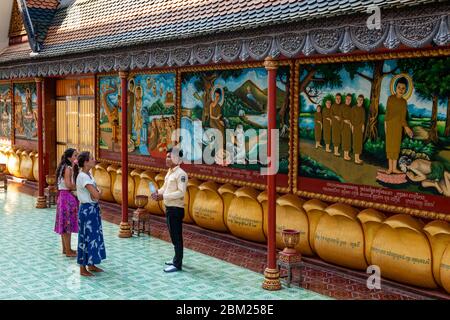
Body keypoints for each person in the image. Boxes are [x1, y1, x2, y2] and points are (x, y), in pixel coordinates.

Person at [151, 147, 188, 272]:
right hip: (169, 207)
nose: (167, 159)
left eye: (169, 157)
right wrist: (158, 192)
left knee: (176, 236)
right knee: (173, 235)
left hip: (176, 209)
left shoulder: (181, 174)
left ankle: (177, 264)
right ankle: (176, 258)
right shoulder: (170, 172)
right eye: (166, 156)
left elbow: (181, 193)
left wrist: (163, 196)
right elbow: (165, 187)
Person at [76, 151, 106, 276]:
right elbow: (96, 194)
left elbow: (95, 194)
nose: (94, 160)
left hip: (92, 209)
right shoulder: (83, 176)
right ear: (86, 162)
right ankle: (83, 268)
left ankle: (91, 264)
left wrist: (97, 195)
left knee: (94, 237)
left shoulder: (89, 174)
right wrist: (98, 194)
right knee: (86, 237)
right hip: (87, 210)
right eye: (92, 158)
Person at [384, 77, 413, 174]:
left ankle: (394, 168)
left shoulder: (404, 102)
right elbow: (387, 114)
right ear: (395, 87)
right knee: (389, 146)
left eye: (403, 88)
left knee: (395, 146)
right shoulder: (390, 98)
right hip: (389, 125)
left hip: (398, 127)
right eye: (399, 87)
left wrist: (407, 127)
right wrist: (385, 125)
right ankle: (390, 168)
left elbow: (403, 118)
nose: (401, 90)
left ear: (406, 90)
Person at [54, 148, 79, 257]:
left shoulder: (63, 167)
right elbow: (69, 185)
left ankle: (66, 249)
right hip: (67, 197)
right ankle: (68, 250)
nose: (76, 158)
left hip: (62, 197)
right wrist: (79, 187)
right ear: (70, 157)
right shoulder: (68, 168)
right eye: (75, 155)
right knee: (67, 224)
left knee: (64, 224)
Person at [351, 95, 366, 165]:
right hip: (355, 127)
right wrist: (352, 126)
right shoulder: (354, 108)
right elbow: (351, 118)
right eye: (359, 99)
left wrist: (363, 125)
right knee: (355, 142)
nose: (360, 101)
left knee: (359, 143)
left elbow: (363, 119)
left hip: (360, 128)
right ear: (357, 100)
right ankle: (355, 159)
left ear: (363, 101)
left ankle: (358, 158)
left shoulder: (363, 109)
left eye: (361, 100)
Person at [341, 94, 353, 161]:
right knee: (345, 140)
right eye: (347, 99)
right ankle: (345, 155)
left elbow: (352, 117)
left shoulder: (351, 108)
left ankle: (347, 155)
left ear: (351, 100)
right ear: (345, 99)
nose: (348, 100)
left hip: (349, 126)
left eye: (349, 99)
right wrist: (344, 120)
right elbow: (340, 116)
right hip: (344, 126)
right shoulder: (342, 106)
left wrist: (351, 123)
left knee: (348, 140)